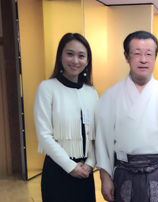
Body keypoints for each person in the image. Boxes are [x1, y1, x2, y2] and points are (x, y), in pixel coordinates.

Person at [95, 30, 158, 202]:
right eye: (137, 54)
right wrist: (105, 178)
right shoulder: (110, 96)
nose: (143, 59)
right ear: (126, 56)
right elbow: (102, 142)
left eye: (149, 54)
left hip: (157, 174)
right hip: (123, 172)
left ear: (155, 57)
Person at [34, 33, 98, 202]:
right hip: (58, 171)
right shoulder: (47, 88)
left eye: (81, 56)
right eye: (70, 54)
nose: (75, 61)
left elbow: (96, 135)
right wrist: (70, 167)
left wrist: (90, 164)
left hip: (85, 171)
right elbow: (44, 135)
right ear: (60, 56)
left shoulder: (91, 92)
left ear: (87, 60)